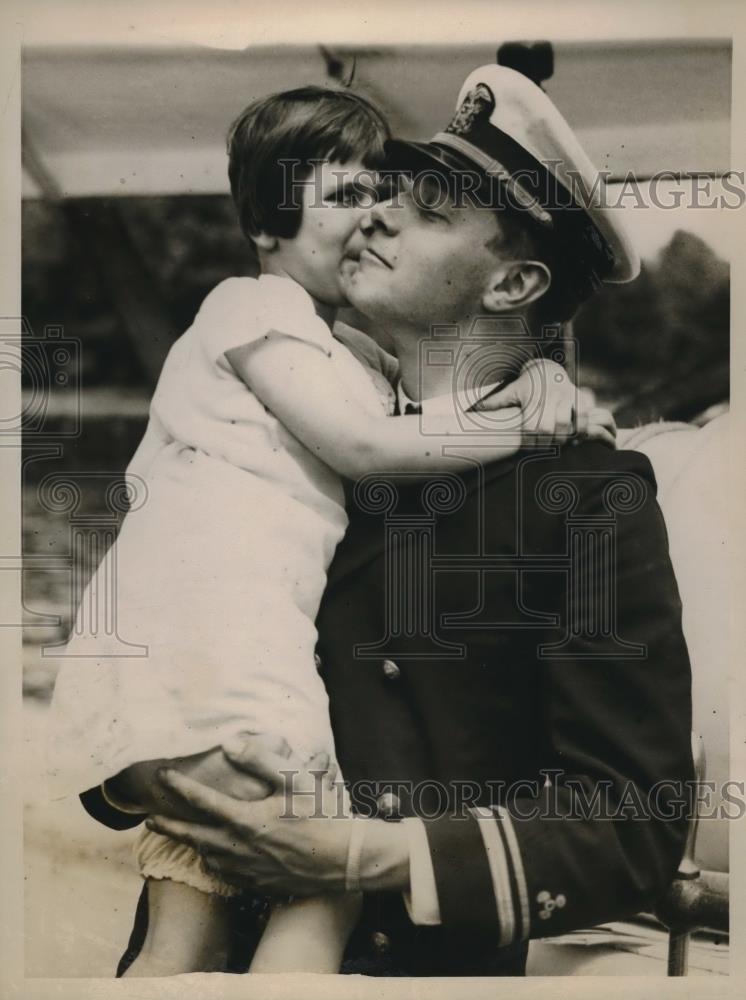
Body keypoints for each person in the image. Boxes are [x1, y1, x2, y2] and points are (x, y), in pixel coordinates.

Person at [125, 64, 694, 977]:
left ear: (512, 284)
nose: (377, 213)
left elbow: (632, 822)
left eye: (428, 211)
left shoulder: (586, 496)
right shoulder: (288, 428)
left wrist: (369, 856)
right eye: (384, 191)